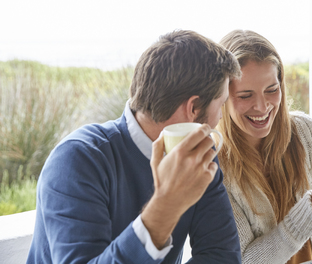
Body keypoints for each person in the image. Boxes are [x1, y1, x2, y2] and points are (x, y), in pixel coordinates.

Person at [27, 30, 243, 263]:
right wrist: (164, 207)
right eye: (220, 104)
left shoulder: (199, 157)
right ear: (193, 107)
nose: (220, 118)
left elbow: (223, 256)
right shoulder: (75, 160)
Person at [216, 30, 312, 264]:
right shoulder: (214, 163)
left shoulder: (304, 132)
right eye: (246, 95)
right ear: (222, 95)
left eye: (272, 90)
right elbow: (246, 261)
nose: (262, 106)